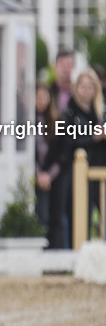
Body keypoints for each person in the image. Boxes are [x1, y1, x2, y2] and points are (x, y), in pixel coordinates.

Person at [57, 69, 106, 249]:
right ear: (76, 88)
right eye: (82, 86)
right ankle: (79, 254)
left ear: (96, 89)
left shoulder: (102, 112)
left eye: (90, 86)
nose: (86, 90)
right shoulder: (69, 112)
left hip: (101, 171)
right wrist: (93, 137)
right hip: (77, 176)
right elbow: (68, 141)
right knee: (80, 216)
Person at [34, 82, 62, 241]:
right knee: (41, 215)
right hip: (34, 175)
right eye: (38, 96)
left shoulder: (57, 122)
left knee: (56, 216)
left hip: (53, 175)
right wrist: (38, 174)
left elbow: (62, 154)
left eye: (45, 96)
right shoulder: (25, 120)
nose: (41, 100)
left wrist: (48, 175)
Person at [50, 49, 75, 115]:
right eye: (62, 65)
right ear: (55, 67)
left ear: (73, 67)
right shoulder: (49, 91)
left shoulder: (79, 91)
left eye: (69, 65)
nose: (65, 69)